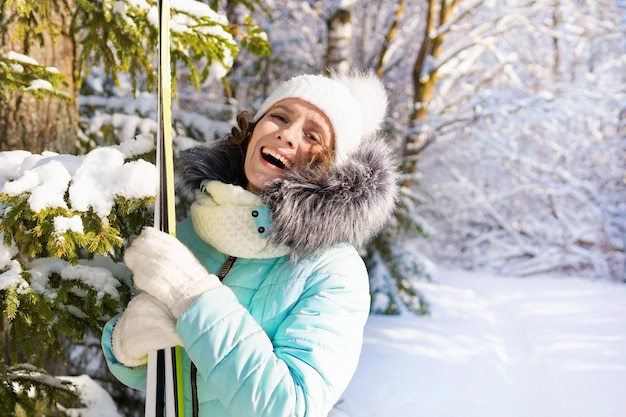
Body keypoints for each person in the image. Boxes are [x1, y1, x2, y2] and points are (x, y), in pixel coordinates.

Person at [101, 72, 398, 417]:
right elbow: (166, 377)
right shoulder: (191, 233)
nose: (286, 134)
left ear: (332, 168)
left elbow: (292, 406)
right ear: (253, 128)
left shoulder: (334, 270)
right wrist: (125, 347)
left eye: (311, 134)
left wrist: (195, 299)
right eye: (279, 116)